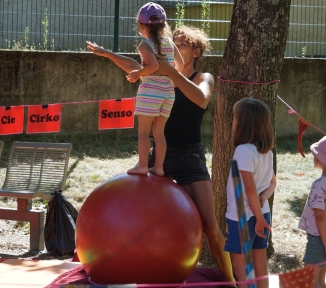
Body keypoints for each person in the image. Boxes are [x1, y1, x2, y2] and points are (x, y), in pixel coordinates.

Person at [86, 25, 236, 286]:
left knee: (211, 227)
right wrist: (107, 53)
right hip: (160, 159)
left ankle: (232, 282)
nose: (175, 48)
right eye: (173, 43)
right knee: (141, 214)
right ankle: (138, 268)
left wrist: (169, 71)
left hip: (190, 158)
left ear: (196, 52)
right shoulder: (158, 76)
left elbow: (201, 99)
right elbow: (133, 64)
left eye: (182, 45)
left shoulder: (204, 77)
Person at [124, 2, 183, 176]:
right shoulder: (170, 43)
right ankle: (158, 167)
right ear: (163, 25)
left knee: (143, 131)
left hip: (150, 91)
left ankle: (142, 165)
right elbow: (180, 64)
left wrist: (137, 74)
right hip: (168, 93)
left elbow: (153, 65)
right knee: (159, 132)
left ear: (141, 25)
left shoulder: (144, 45)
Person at [224, 98, 277, 288]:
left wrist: (258, 216)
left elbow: (249, 188)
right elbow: (273, 183)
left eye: (235, 117)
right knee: (260, 265)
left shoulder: (243, 151)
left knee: (241, 268)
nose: (233, 121)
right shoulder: (267, 152)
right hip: (261, 214)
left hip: (242, 218)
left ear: (243, 123)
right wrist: (264, 199)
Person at [298, 136, 326, 288]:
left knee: (308, 281)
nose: (314, 156)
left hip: (318, 238)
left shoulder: (319, 185)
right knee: (320, 281)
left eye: (317, 154)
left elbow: (320, 216)